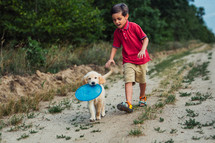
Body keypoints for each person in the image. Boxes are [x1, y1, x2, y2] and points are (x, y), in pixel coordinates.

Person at [105, 3, 151, 113]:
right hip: (128, 60)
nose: (117, 22)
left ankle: (142, 97)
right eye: (114, 20)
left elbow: (145, 39)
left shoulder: (134, 26)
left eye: (119, 19)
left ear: (126, 16)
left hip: (141, 59)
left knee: (142, 81)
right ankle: (128, 103)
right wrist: (111, 58)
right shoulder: (117, 32)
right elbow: (115, 46)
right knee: (128, 80)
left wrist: (142, 50)